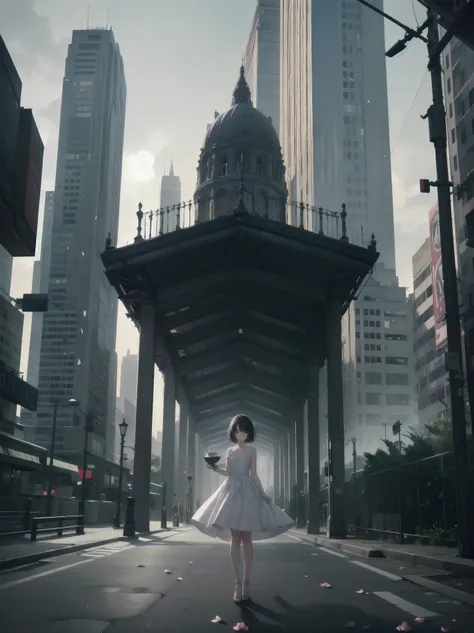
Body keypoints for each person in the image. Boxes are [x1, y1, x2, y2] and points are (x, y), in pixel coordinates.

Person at [191, 414, 294, 603]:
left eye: (244, 430)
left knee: (246, 538)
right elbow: (229, 473)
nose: (240, 434)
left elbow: (253, 474)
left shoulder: (252, 450)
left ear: (249, 432)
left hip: (247, 492)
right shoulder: (230, 451)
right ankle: (237, 583)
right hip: (231, 492)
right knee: (235, 538)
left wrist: (262, 493)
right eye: (237, 430)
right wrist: (215, 469)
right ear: (233, 432)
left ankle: (247, 582)